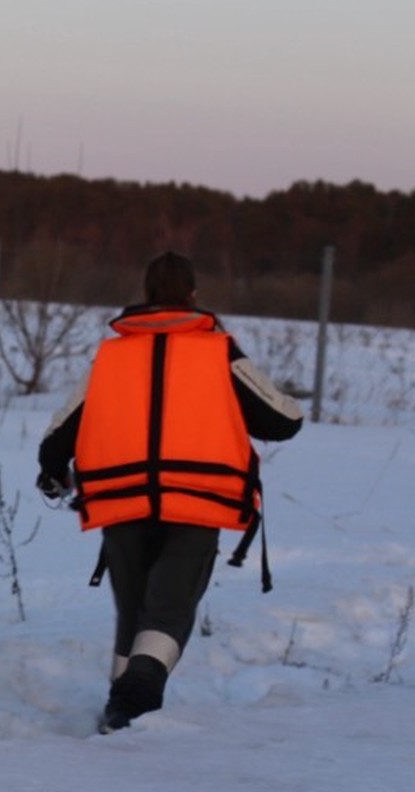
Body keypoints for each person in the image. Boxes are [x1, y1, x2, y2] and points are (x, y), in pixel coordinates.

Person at [37, 250, 304, 733]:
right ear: (194, 297)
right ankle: (134, 702)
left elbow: (60, 434)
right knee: (169, 608)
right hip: (198, 498)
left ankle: (117, 712)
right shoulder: (219, 351)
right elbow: (284, 420)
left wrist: (53, 471)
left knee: (135, 609)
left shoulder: (111, 356)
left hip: (122, 500)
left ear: (144, 296)